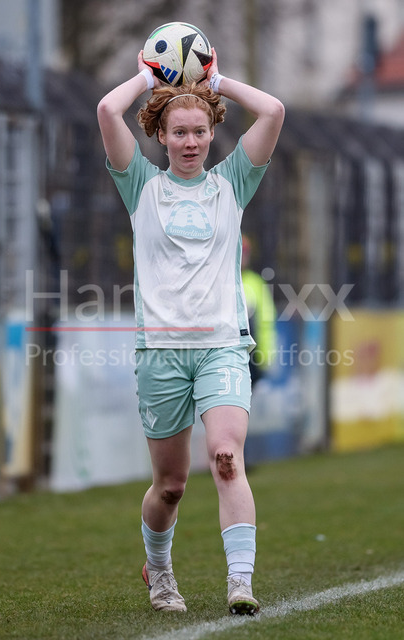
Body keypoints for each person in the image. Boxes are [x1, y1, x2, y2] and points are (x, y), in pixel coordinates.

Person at [97, 46, 284, 615]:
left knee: (227, 456)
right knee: (171, 486)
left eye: (199, 131)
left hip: (222, 347)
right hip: (160, 352)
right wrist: (147, 76)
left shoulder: (233, 182)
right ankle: (159, 571)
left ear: (212, 132)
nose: (190, 142)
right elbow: (107, 111)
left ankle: (240, 583)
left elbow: (273, 111)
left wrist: (215, 80)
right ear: (160, 135)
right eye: (178, 132)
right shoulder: (141, 186)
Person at [241, 235, 277, 384]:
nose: (242, 257)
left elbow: (266, 320)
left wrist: (265, 354)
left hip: (251, 355)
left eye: (245, 253)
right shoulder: (220, 280)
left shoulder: (255, 282)